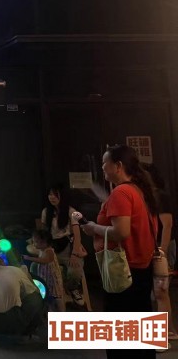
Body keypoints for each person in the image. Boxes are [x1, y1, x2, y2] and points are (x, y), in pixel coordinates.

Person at [81, 145, 158, 359]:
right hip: (143, 269)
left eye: (105, 163)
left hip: (123, 271)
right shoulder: (140, 191)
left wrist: (93, 228)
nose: (102, 167)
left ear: (118, 165)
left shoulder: (121, 192)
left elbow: (121, 232)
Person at [0, 249, 45, 340]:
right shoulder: (15, 270)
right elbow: (34, 290)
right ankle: (30, 330)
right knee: (36, 297)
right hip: (12, 323)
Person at [39, 183, 87, 306]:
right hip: (52, 247)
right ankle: (52, 295)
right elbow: (43, 232)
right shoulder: (46, 212)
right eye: (50, 194)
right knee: (44, 268)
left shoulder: (72, 212)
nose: (52, 197)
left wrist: (75, 253)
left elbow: (77, 234)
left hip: (68, 246)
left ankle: (72, 289)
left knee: (74, 271)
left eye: (55, 194)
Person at [146, 165, 178, 345]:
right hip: (153, 247)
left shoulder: (160, 196)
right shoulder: (147, 196)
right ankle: (168, 330)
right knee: (157, 292)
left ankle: (167, 332)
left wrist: (162, 251)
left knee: (160, 291)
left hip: (162, 248)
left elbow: (167, 225)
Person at [23, 229, 65, 311]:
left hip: (53, 277)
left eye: (36, 242)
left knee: (57, 296)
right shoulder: (42, 249)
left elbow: (45, 261)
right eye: (34, 241)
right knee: (49, 294)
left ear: (44, 243)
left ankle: (62, 311)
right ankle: (50, 309)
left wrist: (29, 258)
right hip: (46, 275)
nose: (34, 244)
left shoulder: (49, 251)